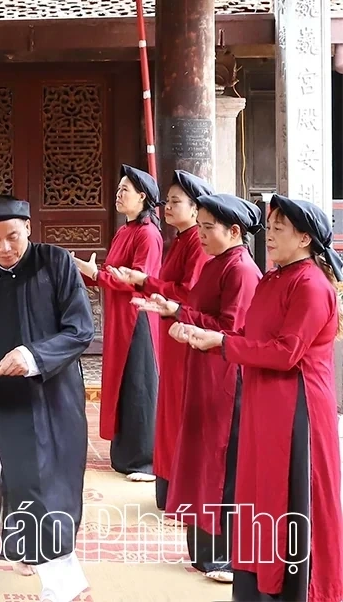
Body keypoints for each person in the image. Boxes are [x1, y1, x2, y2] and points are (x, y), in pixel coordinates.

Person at [173, 195, 343, 602]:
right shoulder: (275, 277)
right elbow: (248, 338)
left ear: (305, 238)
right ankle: (255, 585)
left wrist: (222, 343)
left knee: (288, 497)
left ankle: (293, 588)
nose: (270, 235)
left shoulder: (312, 285)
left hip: (295, 408)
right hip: (264, 402)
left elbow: (286, 352)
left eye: (279, 228)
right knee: (256, 493)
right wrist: (208, 340)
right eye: (270, 226)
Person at [0, 195, 95, 602]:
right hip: (11, 402)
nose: (4, 248)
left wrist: (32, 355)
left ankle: (63, 582)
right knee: (25, 481)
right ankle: (55, 575)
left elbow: (80, 329)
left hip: (57, 394)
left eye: (12, 237)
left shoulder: (55, 264)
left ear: (29, 229)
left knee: (54, 482)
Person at [133, 193, 262, 584]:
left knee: (221, 462)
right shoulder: (218, 262)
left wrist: (183, 318)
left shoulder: (241, 269)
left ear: (234, 231)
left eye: (209, 228)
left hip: (225, 377)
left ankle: (223, 555)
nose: (201, 235)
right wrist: (177, 311)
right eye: (201, 226)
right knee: (201, 456)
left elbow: (232, 329)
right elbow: (203, 311)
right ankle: (204, 551)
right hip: (204, 368)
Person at [108, 170, 212, 507]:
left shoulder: (186, 239)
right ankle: (153, 467)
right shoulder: (178, 238)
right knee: (149, 393)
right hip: (158, 318)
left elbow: (187, 292)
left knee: (145, 386)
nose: (168, 206)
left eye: (175, 201)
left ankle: (152, 463)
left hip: (167, 324)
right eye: (167, 200)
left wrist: (144, 282)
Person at [73, 165, 163, 482]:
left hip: (138, 319)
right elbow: (112, 275)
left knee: (140, 385)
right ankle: (126, 455)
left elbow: (139, 282)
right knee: (124, 385)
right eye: (119, 188)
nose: (119, 194)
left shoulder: (148, 234)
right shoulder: (125, 231)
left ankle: (148, 461)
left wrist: (97, 274)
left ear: (143, 197)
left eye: (125, 189)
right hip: (119, 318)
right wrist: (87, 272)